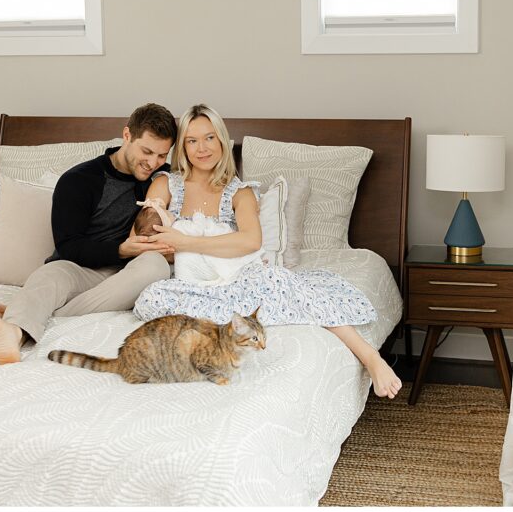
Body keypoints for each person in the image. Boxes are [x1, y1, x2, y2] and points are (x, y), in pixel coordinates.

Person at [132, 104, 403, 399]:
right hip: (189, 283)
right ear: (182, 146)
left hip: (237, 278)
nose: (202, 149)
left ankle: (371, 358)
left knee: (279, 281)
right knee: (151, 297)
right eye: (192, 141)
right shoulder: (165, 183)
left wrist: (186, 243)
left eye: (209, 138)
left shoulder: (239, 191)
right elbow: (145, 234)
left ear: (222, 140)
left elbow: (250, 241)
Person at [0, 103, 178, 364]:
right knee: (48, 276)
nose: (153, 163)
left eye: (161, 155)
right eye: (147, 151)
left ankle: (31, 312)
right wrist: (122, 248)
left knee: (155, 266)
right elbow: (68, 246)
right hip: (80, 268)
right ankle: (12, 333)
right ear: (127, 136)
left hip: (129, 273)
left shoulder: (162, 178)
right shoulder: (79, 180)